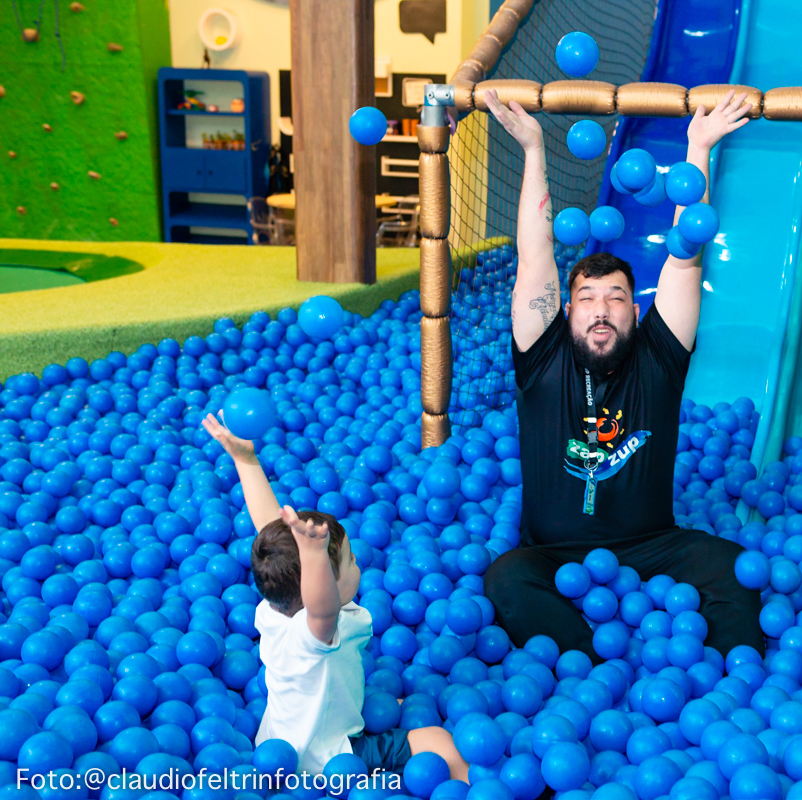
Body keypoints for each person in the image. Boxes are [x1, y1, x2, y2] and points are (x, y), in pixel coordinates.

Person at [478, 87, 765, 664]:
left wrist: (698, 148)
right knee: (504, 579)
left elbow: (686, 257)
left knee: (738, 572)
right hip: (553, 552)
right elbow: (535, 259)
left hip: (650, 547)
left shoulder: (658, 357)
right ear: (568, 311)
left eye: (616, 298)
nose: (602, 309)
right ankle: (595, 666)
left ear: (636, 312)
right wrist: (534, 150)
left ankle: (740, 678)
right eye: (587, 298)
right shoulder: (544, 356)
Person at [201, 412, 469, 779]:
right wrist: (314, 556)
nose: (357, 563)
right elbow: (321, 608)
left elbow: (268, 529)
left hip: (280, 742)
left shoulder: (275, 605)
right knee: (441, 742)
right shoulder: (315, 632)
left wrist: (245, 460)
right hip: (325, 761)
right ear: (323, 586)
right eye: (349, 562)